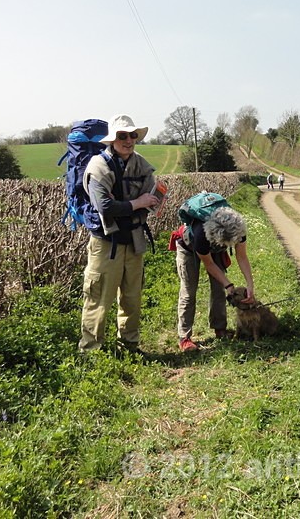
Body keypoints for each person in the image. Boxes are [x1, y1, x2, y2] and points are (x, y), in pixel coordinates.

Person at [79, 114, 159, 354]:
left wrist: (134, 203)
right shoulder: (98, 166)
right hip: (106, 242)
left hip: (134, 239)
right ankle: (91, 352)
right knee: (99, 297)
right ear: (112, 140)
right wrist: (137, 203)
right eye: (122, 136)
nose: (128, 140)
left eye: (132, 135)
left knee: (132, 298)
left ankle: (129, 347)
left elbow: (152, 197)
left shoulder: (141, 164)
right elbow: (104, 206)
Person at [174, 205, 256, 351]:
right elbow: (209, 264)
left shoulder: (239, 229)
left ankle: (220, 329)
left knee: (219, 289)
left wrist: (250, 285)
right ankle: (184, 338)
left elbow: (242, 256)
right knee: (189, 291)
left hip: (215, 246)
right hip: (188, 247)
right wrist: (228, 284)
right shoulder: (201, 235)